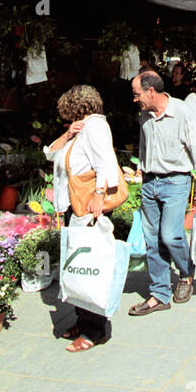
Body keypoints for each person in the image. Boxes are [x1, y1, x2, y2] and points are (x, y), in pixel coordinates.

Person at [45, 84, 123, 352]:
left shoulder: (96, 126)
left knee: (90, 266)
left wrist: (99, 195)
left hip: (88, 205)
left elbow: (105, 164)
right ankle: (82, 319)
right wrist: (67, 134)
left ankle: (95, 330)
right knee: (78, 264)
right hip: (74, 205)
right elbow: (50, 153)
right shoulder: (81, 129)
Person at [128, 71, 196, 314]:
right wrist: (141, 172)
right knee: (151, 240)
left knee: (170, 235)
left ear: (150, 91)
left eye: (137, 94)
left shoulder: (182, 111)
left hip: (176, 182)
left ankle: (185, 274)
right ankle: (160, 293)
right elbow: (144, 146)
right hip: (150, 182)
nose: (135, 99)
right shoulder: (145, 116)